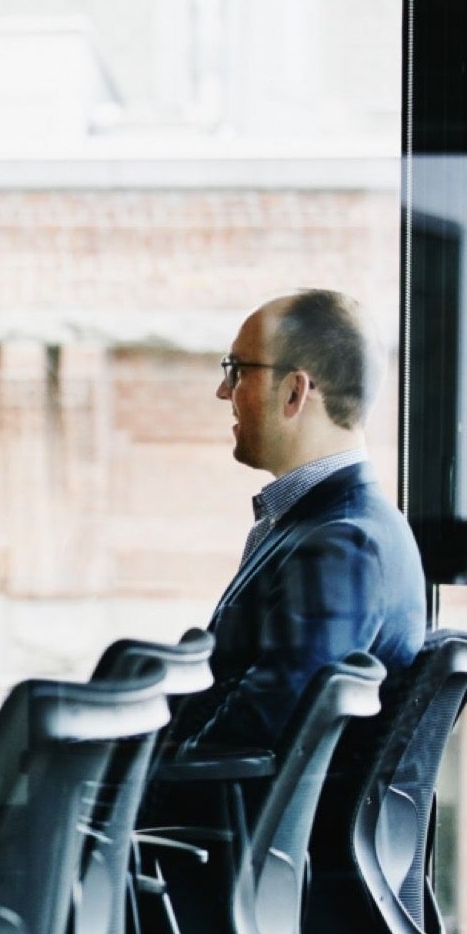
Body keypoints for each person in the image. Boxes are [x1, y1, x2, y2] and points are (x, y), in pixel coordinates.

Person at [163, 289, 425, 761]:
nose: (224, 391)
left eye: (237, 369)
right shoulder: (336, 526)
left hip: (230, 830)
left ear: (294, 391)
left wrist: (121, 792)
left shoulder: (344, 546)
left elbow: (257, 737)